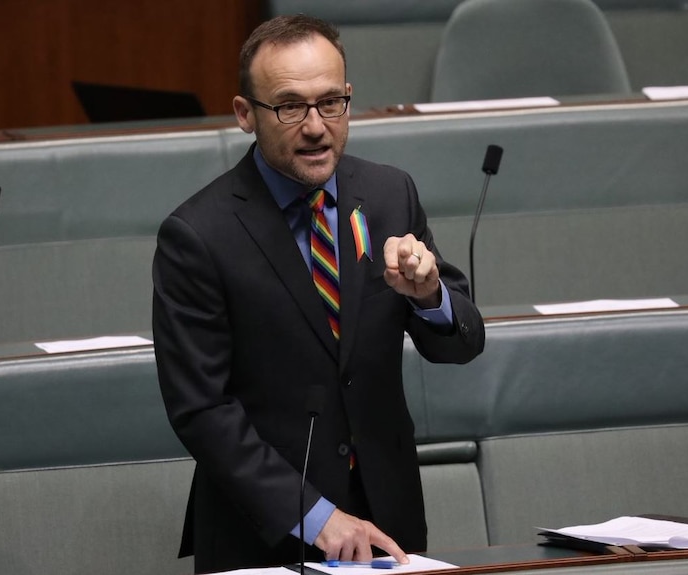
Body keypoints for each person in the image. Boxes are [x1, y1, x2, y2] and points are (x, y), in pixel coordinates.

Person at [152, 14, 485, 574]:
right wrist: (313, 515)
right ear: (244, 115)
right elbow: (202, 409)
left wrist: (431, 297)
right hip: (264, 535)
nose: (315, 126)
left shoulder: (388, 194)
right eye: (289, 106)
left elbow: (460, 344)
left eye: (331, 102)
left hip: (387, 520)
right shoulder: (198, 235)